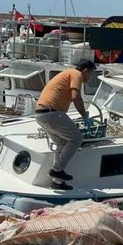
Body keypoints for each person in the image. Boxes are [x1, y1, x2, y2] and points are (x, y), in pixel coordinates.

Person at [35, 60, 96, 190]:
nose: (90, 78)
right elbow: (75, 96)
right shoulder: (76, 74)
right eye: (91, 74)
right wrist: (85, 116)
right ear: (86, 70)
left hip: (41, 114)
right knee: (77, 138)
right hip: (52, 113)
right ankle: (57, 170)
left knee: (62, 143)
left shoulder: (67, 74)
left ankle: (57, 182)